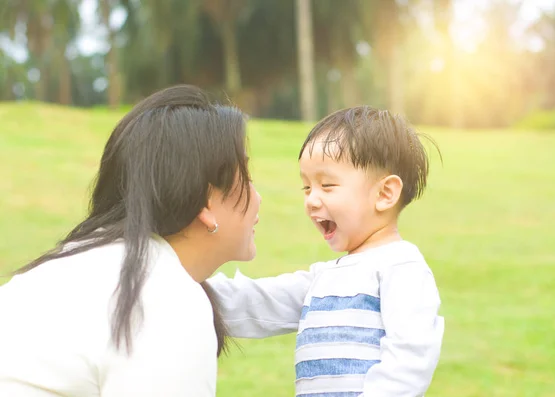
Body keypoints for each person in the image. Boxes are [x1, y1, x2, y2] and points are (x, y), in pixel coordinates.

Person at [0, 84, 261, 397]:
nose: (257, 197)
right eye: (246, 175)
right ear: (206, 203)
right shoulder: (167, 300)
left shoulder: (87, 265)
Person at [209, 106, 444, 397]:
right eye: (306, 187)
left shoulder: (401, 267)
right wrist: (183, 284)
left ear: (385, 194)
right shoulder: (323, 279)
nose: (311, 200)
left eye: (327, 185)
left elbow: (411, 357)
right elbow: (258, 304)